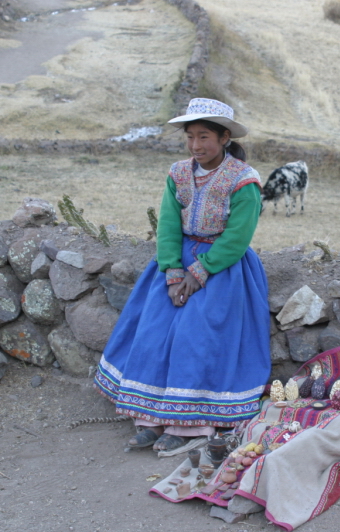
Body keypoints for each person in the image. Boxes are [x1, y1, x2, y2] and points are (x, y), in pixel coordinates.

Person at [94, 98, 271, 452]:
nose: (195, 145)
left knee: (197, 333)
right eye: (190, 136)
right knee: (154, 329)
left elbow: (238, 237)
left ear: (224, 137)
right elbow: (168, 225)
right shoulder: (178, 174)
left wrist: (200, 272)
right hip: (178, 262)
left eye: (204, 136)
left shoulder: (244, 181)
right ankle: (150, 418)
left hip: (223, 268)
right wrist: (173, 272)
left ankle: (187, 425)